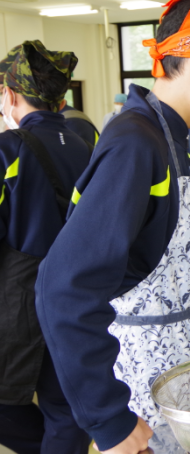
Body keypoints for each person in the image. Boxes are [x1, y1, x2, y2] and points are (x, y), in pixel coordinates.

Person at [35, 0, 190, 454]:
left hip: (183, 361)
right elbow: (63, 287)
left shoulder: (171, 137)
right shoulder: (135, 143)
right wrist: (110, 418)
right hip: (142, 381)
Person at [0, 41, 91, 454]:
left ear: (10, 93)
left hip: (20, 307)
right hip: (79, 298)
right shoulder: (87, 145)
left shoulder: (10, 149)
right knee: (65, 409)